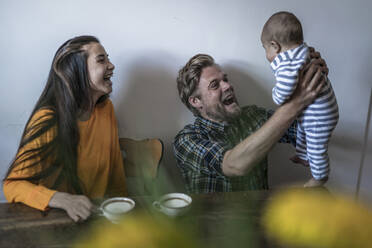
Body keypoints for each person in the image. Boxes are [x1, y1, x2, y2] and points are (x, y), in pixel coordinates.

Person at [3, 35, 127, 222]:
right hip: (58, 221)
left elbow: (116, 172)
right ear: (77, 70)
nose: (111, 65)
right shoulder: (48, 119)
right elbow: (12, 185)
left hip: (99, 218)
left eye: (108, 58)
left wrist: (124, 208)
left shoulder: (106, 109)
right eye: (101, 60)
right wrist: (62, 199)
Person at [173, 52, 327, 194]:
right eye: (214, 85)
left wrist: (315, 78)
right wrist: (294, 104)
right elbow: (233, 165)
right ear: (196, 101)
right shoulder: (187, 139)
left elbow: (311, 131)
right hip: (213, 223)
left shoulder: (254, 116)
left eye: (225, 79)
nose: (227, 86)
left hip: (259, 219)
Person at [261, 11, 339, 187]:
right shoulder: (304, 52)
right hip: (323, 110)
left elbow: (286, 86)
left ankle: (319, 177)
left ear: (275, 46)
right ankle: (303, 156)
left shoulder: (286, 62)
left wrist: (276, 95)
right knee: (302, 131)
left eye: (265, 48)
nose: (266, 55)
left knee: (316, 148)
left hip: (320, 116)